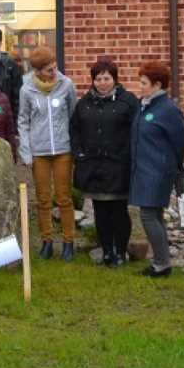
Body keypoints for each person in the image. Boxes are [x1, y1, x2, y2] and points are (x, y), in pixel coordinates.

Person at [71, 57, 140, 267]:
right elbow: (75, 130)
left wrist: (129, 155)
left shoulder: (128, 102)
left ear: (115, 79)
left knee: (119, 211)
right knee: (100, 211)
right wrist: (79, 154)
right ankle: (107, 251)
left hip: (119, 166)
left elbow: (137, 131)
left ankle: (120, 251)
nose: (102, 83)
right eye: (98, 79)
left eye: (106, 78)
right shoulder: (84, 103)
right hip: (93, 166)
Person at [18, 46, 78, 260]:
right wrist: (26, 152)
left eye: (55, 67)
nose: (54, 72)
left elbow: (73, 116)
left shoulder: (66, 85)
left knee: (64, 198)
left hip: (63, 149)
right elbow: (23, 121)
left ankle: (69, 242)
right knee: (43, 199)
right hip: (39, 151)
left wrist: (75, 146)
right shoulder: (26, 90)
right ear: (37, 71)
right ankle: (47, 241)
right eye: (49, 70)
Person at [130, 60, 184, 278]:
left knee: (148, 215)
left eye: (144, 83)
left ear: (157, 85)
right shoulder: (145, 105)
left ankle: (161, 263)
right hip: (144, 168)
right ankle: (162, 263)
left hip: (158, 170)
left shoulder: (167, 109)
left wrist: (171, 166)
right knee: (154, 215)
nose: (140, 87)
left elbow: (180, 142)